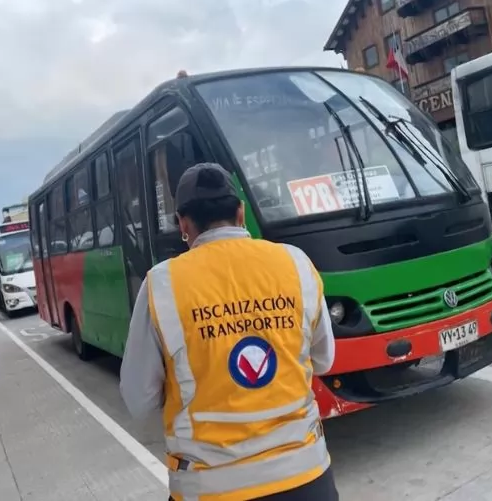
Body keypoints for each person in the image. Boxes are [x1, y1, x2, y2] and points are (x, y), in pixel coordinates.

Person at [120, 163, 338, 501]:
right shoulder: (295, 263)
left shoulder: (161, 285)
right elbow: (324, 360)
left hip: (209, 490)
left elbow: (139, 400)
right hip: (306, 479)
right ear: (240, 213)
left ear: (183, 224)